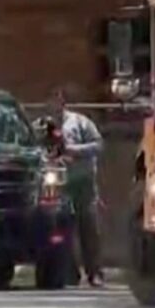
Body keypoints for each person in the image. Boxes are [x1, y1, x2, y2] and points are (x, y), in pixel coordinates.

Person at [46, 89, 105, 287]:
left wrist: (74, 150)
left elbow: (98, 145)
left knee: (89, 227)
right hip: (59, 183)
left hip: (83, 182)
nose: (53, 105)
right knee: (62, 230)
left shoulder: (80, 122)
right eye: (50, 101)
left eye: (57, 101)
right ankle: (70, 273)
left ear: (63, 102)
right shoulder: (42, 126)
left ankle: (95, 273)